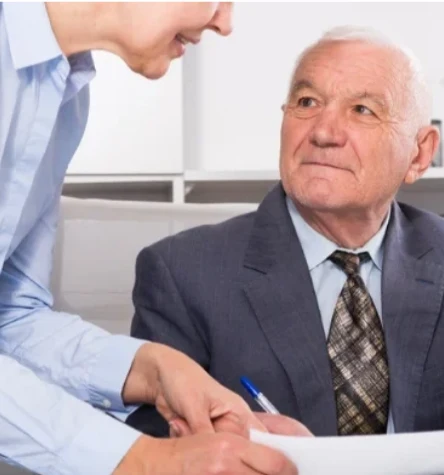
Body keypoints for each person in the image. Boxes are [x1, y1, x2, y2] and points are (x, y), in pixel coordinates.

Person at [128, 26, 444, 473]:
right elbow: (143, 451)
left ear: (419, 154)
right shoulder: (182, 272)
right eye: (307, 102)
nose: (323, 131)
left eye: (362, 111)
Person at [0, 2, 301, 474]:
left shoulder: (64, 98)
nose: (225, 23)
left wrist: (154, 369)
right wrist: (141, 462)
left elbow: (10, 316)